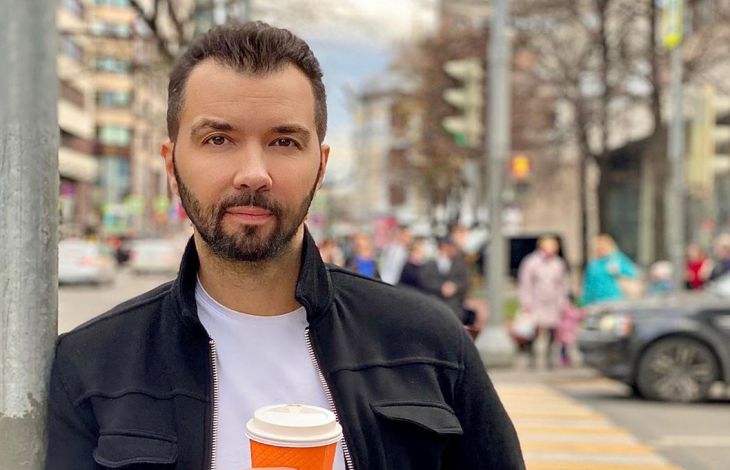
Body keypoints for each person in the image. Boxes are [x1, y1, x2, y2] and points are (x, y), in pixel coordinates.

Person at [45, 22, 524, 470]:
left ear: (321, 166)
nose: (254, 173)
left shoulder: (428, 343)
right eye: (218, 139)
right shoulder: (91, 366)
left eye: (284, 142)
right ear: (171, 166)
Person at [516, 235, 570, 368]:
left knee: (552, 330)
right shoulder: (531, 262)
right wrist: (526, 302)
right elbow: (525, 283)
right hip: (536, 301)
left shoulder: (558, 263)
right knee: (533, 330)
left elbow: (562, 285)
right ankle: (532, 357)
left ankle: (549, 357)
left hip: (552, 302)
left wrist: (563, 303)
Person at [419, 236, 471, 323]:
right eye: (447, 246)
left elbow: (465, 281)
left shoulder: (460, 264)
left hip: (454, 305)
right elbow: (425, 280)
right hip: (434, 301)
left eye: (451, 247)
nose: (450, 249)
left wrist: (454, 286)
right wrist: (441, 287)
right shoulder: (431, 263)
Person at [581, 234, 640, 306]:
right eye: (598, 248)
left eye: (602, 248)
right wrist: (585, 301)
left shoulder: (617, 259)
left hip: (614, 299)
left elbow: (633, 273)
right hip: (596, 300)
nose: (600, 250)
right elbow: (588, 285)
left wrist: (619, 270)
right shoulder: (593, 265)